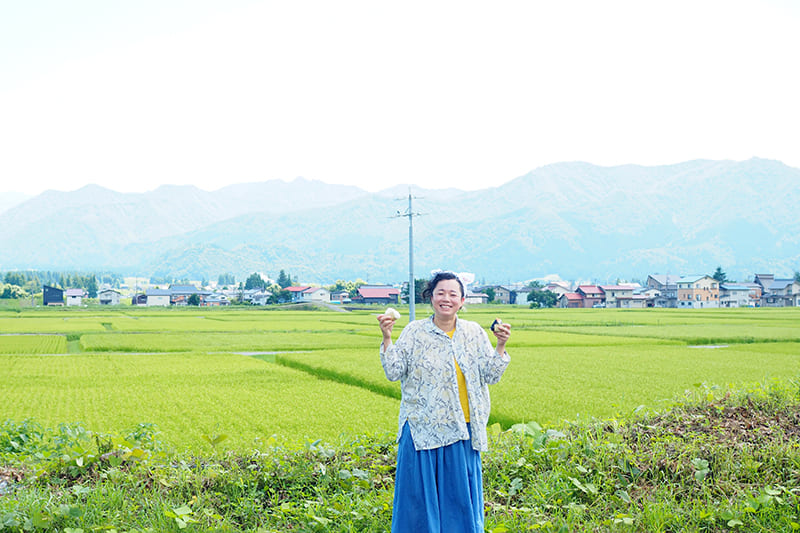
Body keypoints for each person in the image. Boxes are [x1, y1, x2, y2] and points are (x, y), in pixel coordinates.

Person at [377, 271, 511, 533]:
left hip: (463, 429)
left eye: (452, 294)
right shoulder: (414, 332)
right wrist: (387, 337)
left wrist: (501, 346)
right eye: (440, 293)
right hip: (422, 430)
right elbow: (394, 371)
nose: (446, 299)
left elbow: (491, 375)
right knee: (418, 504)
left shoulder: (474, 333)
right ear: (431, 297)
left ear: (462, 300)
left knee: (458, 503)